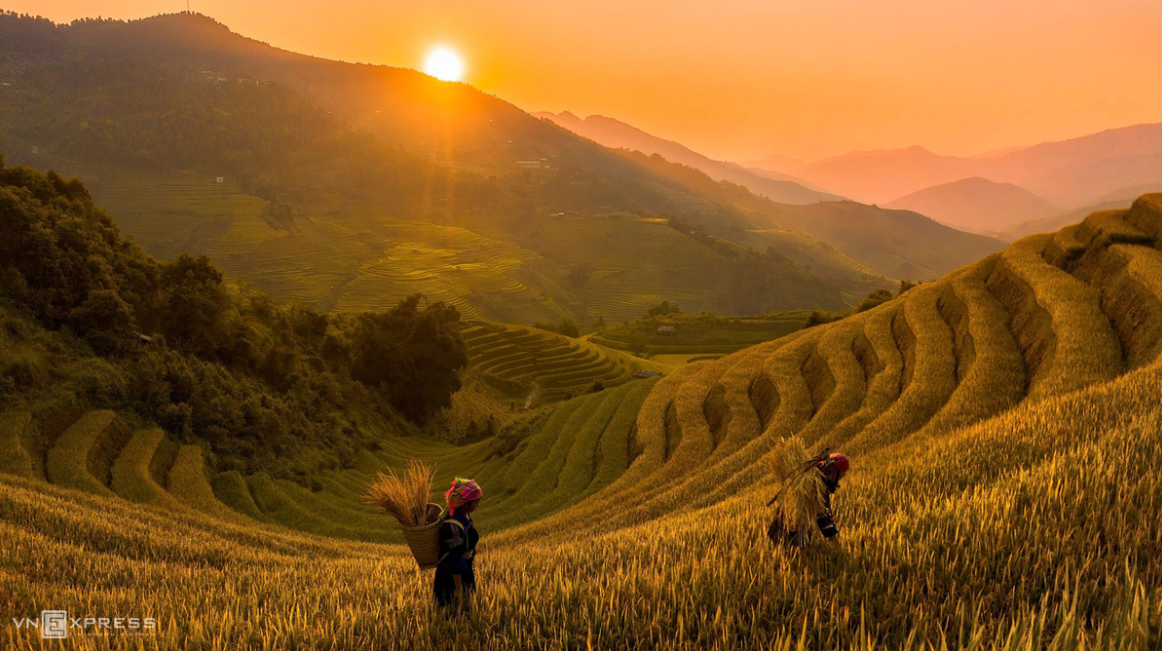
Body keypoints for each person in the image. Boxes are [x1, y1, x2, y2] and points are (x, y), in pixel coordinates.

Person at [767, 451, 849, 547]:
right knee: (795, 556)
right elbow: (823, 518)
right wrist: (835, 542)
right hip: (793, 531)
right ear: (833, 473)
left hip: (779, 528)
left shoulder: (809, 477)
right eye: (840, 476)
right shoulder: (817, 486)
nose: (839, 480)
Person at [434, 477, 482, 609]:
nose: (477, 506)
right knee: (451, 610)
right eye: (475, 503)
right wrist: (457, 588)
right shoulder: (452, 526)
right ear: (465, 504)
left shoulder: (464, 516)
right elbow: (455, 560)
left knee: (467, 607)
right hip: (451, 577)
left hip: (465, 570)